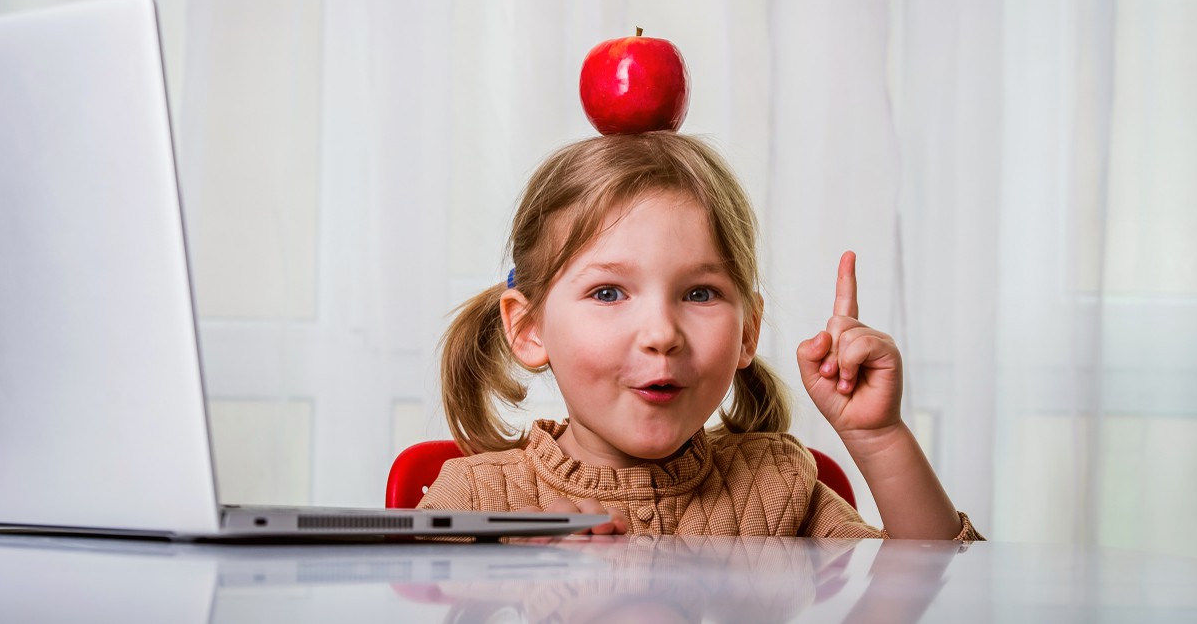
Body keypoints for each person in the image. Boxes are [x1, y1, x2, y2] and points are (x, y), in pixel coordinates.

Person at [419, 131, 982, 540]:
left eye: (700, 294)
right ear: (529, 328)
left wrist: (880, 439)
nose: (662, 334)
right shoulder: (476, 501)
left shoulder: (779, 485)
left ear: (748, 332)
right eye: (609, 293)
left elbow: (930, 596)